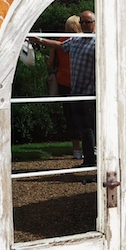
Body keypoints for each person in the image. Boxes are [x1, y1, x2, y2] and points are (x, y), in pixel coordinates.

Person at [28, 10, 96, 167]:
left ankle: (95, 159)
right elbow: (59, 46)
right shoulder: (76, 41)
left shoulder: (99, 42)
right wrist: (39, 40)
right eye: (83, 22)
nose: (85, 25)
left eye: (88, 22)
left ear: (95, 23)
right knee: (83, 127)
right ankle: (89, 160)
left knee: (91, 127)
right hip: (76, 92)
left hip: (91, 93)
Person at [48, 15, 83, 160]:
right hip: (82, 81)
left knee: (70, 116)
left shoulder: (59, 42)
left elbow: (50, 63)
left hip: (64, 82)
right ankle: (92, 147)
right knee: (86, 115)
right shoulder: (84, 40)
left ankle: (76, 149)